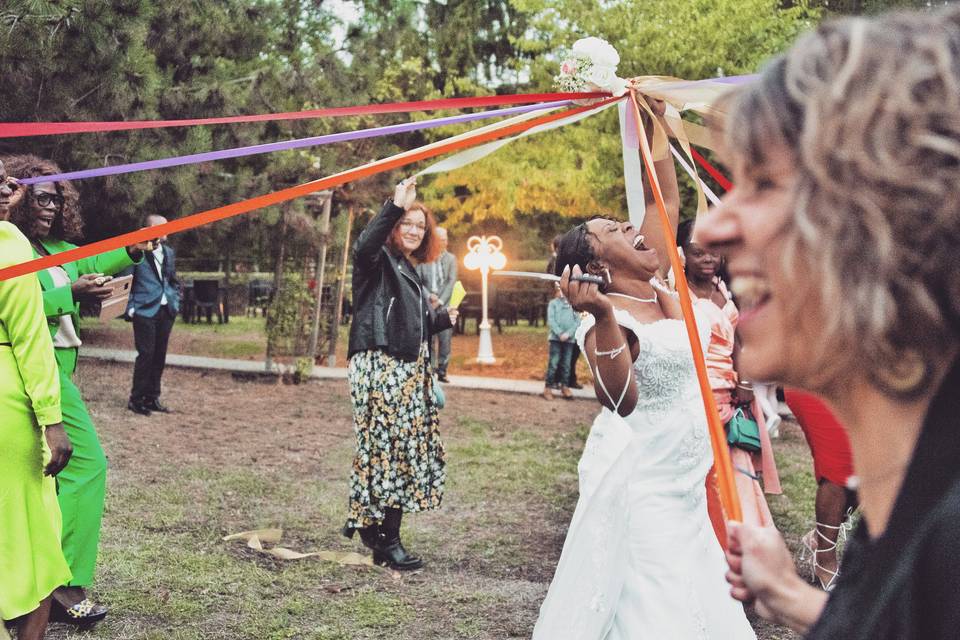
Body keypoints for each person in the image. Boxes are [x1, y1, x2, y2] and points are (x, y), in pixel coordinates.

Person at [697, 8, 960, 638]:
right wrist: (793, 597)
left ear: (896, 215)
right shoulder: (904, 501)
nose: (710, 228)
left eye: (761, 183)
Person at [532, 97, 755, 639]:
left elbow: (666, 193)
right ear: (597, 263)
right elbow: (620, 401)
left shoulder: (659, 283)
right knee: (657, 604)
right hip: (644, 483)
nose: (629, 223)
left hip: (684, 484)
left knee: (699, 591)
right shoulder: (608, 319)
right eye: (612, 228)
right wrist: (603, 317)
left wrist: (647, 114)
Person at [6, 154, 149, 625]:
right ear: (17, 192)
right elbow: (20, 303)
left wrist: (134, 246)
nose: (50, 205)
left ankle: (34, 585)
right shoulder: (13, 246)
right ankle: (63, 583)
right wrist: (73, 295)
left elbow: (86, 259)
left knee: (40, 482)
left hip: (55, 373)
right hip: (33, 371)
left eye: (58, 197)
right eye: (41, 195)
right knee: (87, 467)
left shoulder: (50, 249)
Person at [342, 177, 457, 570]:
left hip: (403, 366)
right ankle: (385, 539)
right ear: (393, 225)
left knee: (394, 453)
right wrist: (395, 203)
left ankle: (374, 529)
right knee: (392, 453)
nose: (413, 230)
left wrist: (440, 318)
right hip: (380, 362)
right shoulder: (377, 260)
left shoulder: (407, 268)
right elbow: (364, 245)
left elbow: (411, 322)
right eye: (406, 223)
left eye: (420, 226)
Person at [0, 158, 73, 640]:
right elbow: (29, 338)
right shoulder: (9, 244)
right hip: (8, 405)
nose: (10, 188)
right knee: (36, 537)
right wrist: (52, 419)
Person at [678, 219, 781, 531]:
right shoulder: (676, 292)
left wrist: (746, 380)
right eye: (698, 253)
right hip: (699, 392)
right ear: (682, 254)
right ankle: (711, 533)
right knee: (705, 470)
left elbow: (737, 337)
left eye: (713, 253)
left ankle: (741, 530)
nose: (708, 259)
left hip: (732, 393)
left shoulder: (723, 288)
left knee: (736, 467)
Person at [784, 389, 858, 591]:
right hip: (811, 379)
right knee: (839, 463)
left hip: (858, 381)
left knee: (869, 467)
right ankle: (825, 560)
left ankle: (820, 537)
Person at [124, 213, 180, 416]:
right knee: (146, 355)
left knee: (159, 356)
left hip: (166, 310)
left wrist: (175, 300)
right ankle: (136, 399)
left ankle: (152, 397)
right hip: (144, 310)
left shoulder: (169, 252)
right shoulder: (136, 252)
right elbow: (126, 279)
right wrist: (131, 307)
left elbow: (173, 279)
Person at [416, 225, 457, 382]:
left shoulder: (451, 259)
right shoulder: (423, 258)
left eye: (445, 239)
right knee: (430, 338)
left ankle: (442, 370)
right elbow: (417, 280)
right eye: (440, 239)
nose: (443, 242)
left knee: (445, 339)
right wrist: (429, 297)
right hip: (427, 303)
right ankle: (430, 368)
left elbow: (451, 281)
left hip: (445, 304)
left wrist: (439, 300)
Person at [542, 283, 579, 400]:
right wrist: (559, 333)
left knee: (567, 364)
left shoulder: (574, 304)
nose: (561, 293)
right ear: (556, 291)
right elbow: (551, 320)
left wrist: (568, 333)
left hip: (569, 339)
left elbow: (577, 321)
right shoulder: (553, 304)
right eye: (559, 290)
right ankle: (548, 388)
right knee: (553, 363)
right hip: (555, 339)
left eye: (563, 290)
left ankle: (565, 386)